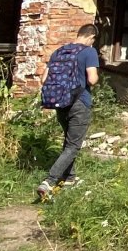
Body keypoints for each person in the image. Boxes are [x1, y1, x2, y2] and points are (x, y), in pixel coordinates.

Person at [35, 24, 100, 202]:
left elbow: (44, 78)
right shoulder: (89, 52)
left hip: (60, 102)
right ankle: (49, 181)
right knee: (73, 146)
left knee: (69, 141)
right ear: (91, 37)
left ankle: (70, 179)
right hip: (80, 102)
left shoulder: (59, 52)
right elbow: (92, 79)